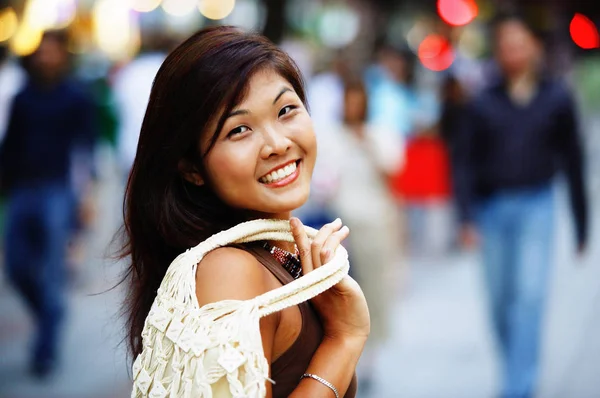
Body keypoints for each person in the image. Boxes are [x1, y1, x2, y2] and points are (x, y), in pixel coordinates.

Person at [121, 26, 369, 397]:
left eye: (286, 110)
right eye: (239, 130)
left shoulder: (271, 251)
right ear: (191, 168)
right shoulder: (228, 272)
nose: (277, 144)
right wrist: (343, 341)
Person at [454, 14, 588, 398]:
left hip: (537, 207)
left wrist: (582, 224)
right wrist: (465, 217)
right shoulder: (481, 101)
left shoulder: (557, 98)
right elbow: (463, 161)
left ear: (534, 47)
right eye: (505, 45)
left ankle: (518, 387)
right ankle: (516, 368)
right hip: (492, 210)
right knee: (500, 303)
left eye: (519, 43)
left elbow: (574, 162)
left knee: (529, 298)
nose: (512, 52)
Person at [0, 30, 96, 377]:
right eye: (42, 52)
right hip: (22, 190)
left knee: (54, 272)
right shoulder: (23, 96)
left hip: (58, 192)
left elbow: (86, 150)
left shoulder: (77, 97)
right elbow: (9, 145)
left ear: (63, 56)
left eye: (52, 52)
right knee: (16, 267)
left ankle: (45, 350)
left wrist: (86, 196)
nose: (46, 58)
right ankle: (49, 315)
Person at [325, 79, 401, 391]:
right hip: (341, 223)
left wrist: (367, 145)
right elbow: (325, 180)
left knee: (373, 293)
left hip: (375, 222)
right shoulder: (330, 137)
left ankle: (369, 361)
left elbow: (392, 174)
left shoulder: (380, 134)